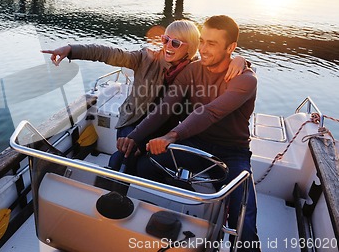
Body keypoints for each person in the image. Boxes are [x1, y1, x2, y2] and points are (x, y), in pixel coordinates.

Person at [122, 15, 260, 251]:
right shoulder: (192, 70)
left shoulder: (245, 79)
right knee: (143, 165)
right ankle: (162, 219)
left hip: (233, 152)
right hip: (197, 142)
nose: (203, 50)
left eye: (212, 44)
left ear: (231, 48)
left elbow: (210, 112)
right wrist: (134, 136)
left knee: (243, 215)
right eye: (202, 41)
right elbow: (164, 109)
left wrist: (171, 136)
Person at [41, 20, 247, 172]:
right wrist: (71, 50)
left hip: (164, 129)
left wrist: (241, 60)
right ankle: (116, 194)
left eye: (175, 43)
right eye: (165, 39)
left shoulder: (194, 70)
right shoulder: (146, 58)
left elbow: (220, 66)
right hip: (133, 121)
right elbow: (107, 53)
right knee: (126, 156)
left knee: (147, 164)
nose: (167, 46)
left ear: (191, 47)